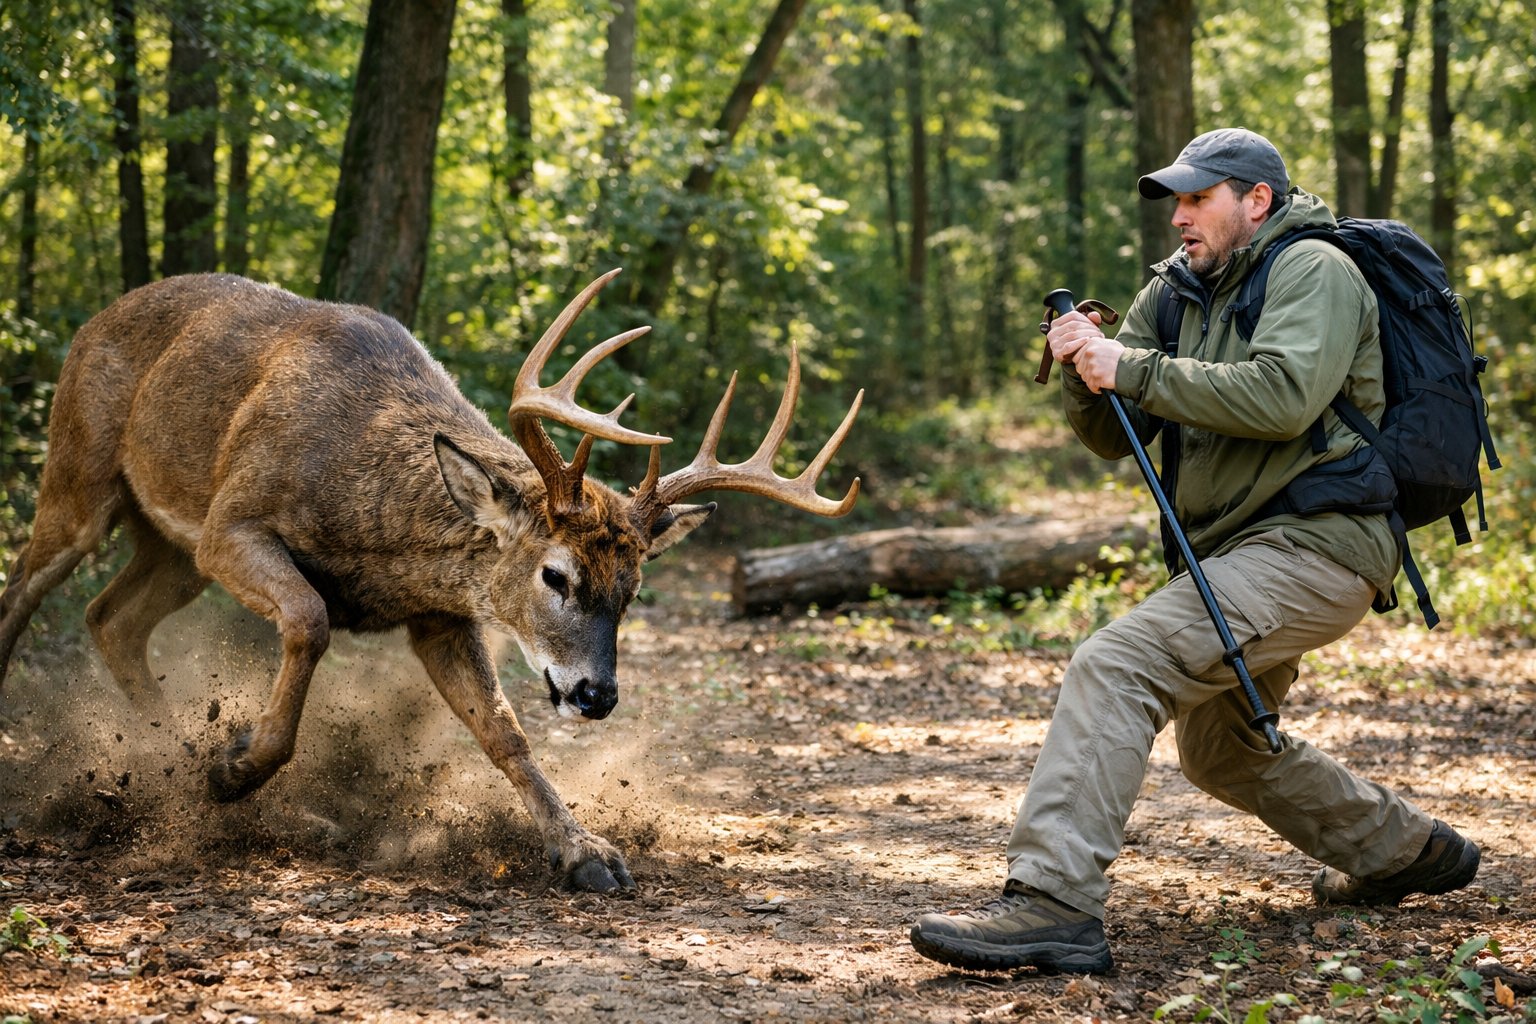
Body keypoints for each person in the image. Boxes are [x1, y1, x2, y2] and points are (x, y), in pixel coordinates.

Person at [908, 128, 1481, 974]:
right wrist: (1085, 367)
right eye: (1174, 199)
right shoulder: (1174, 294)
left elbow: (1284, 396)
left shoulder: (1314, 271)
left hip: (1321, 544)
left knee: (1117, 662)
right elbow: (1118, 432)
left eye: (1196, 197)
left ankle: (1054, 904)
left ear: (1256, 201)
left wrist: (1128, 367)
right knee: (1221, 750)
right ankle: (1409, 852)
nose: (1178, 216)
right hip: (1236, 554)